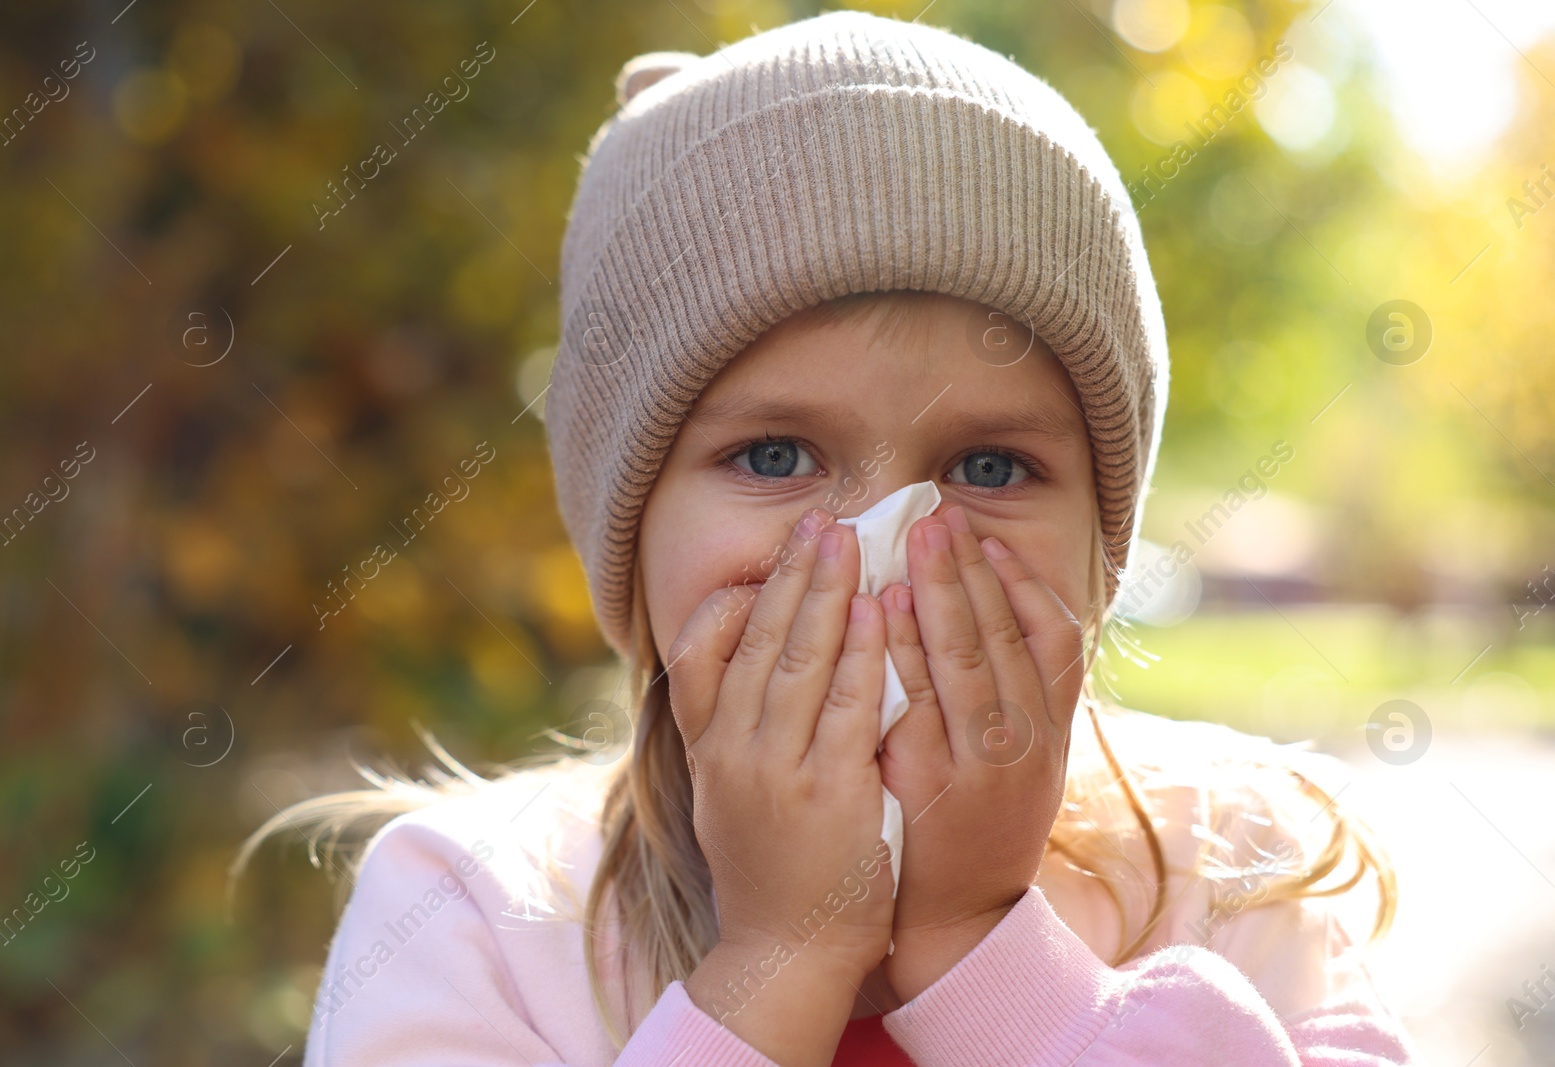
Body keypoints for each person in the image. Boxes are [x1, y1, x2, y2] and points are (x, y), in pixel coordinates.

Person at [235, 10, 1422, 1065]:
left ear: (1101, 553)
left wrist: (984, 953)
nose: (883, 547)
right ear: (628, 532)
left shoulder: (1239, 866)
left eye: (991, 467)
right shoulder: (476, 917)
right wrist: (776, 967)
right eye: (772, 456)